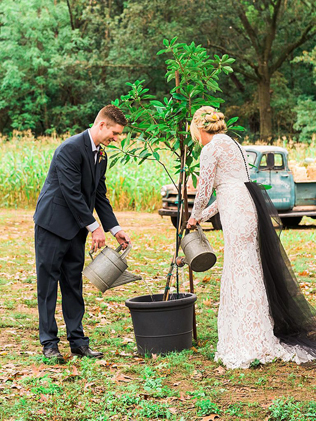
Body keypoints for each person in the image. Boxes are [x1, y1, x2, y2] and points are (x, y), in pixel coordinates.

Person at [187, 106, 316, 369]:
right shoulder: (232, 143)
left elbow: (204, 189)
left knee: (240, 268)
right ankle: (256, 332)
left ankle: (248, 340)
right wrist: (203, 216)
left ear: (199, 127)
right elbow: (228, 189)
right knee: (248, 267)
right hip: (245, 207)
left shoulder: (210, 148)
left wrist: (194, 214)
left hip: (237, 211)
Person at [34, 105, 131, 361]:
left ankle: (78, 342)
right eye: (115, 132)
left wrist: (114, 228)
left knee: (73, 285)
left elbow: (99, 195)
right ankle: (49, 343)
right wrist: (94, 227)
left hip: (76, 228)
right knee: (48, 286)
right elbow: (71, 192)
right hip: (52, 225)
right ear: (101, 125)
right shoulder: (70, 148)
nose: (117, 138)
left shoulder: (102, 155)